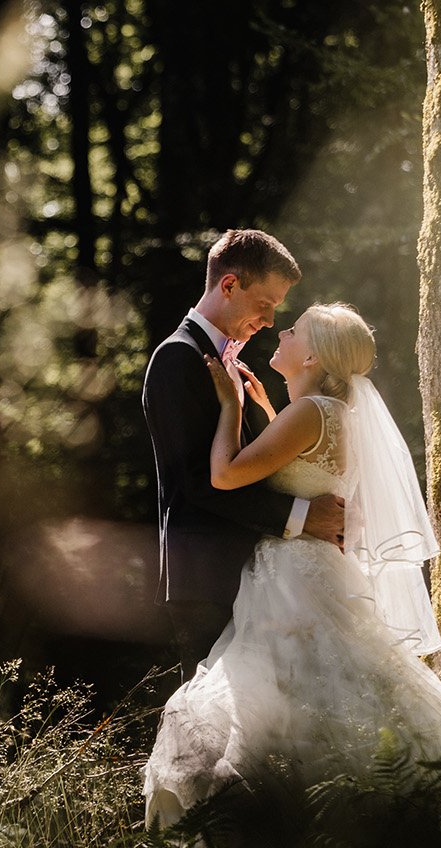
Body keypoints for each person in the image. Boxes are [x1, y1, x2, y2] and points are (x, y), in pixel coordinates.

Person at [123, 303, 441, 848]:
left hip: (291, 578)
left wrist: (235, 408)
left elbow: (226, 476)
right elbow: (302, 465)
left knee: (281, 698)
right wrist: (267, 411)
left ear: (311, 356)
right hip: (310, 570)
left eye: (292, 331)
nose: (281, 332)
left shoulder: (310, 411)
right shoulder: (330, 411)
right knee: (337, 688)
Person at [143, 230, 346, 677]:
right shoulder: (178, 358)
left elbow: (257, 463)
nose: (272, 321)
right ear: (230, 285)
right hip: (207, 575)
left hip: (259, 573)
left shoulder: (232, 364)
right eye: (266, 304)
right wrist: (300, 517)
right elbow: (196, 482)